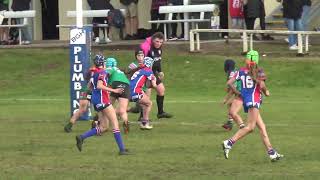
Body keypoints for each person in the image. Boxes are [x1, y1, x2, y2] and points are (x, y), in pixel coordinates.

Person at [222, 50, 284, 162]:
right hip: (254, 100)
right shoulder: (259, 71)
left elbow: (229, 83)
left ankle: (272, 153)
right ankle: (229, 142)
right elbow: (262, 85)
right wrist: (266, 92)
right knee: (250, 127)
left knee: (262, 127)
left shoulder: (240, 71)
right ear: (256, 60)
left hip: (246, 100)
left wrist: (237, 92)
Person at [75, 54, 129, 155]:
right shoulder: (102, 72)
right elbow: (99, 85)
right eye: (104, 61)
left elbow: (91, 86)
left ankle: (81, 137)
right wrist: (114, 90)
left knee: (104, 126)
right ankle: (122, 149)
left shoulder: (94, 72)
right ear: (102, 63)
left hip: (96, 101)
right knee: (115, 124)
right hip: (103, 100)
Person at [140, 32, 172, 119]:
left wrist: (160, 71)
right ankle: (142, 116)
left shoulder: (159, 49)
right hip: (146, 73)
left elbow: (158, 61)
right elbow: (141, 62)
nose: (159, 44)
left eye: (161, 42)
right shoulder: (147, 49)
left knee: (161, 90)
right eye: (157, 41)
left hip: (154, 73)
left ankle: (160, 113)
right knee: (147, 96)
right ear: (153, 40)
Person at [64, 66, 98, 133]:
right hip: (95, 90)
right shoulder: (102, 70)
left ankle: (69, 126)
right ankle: (95, 127)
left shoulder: (91, 69)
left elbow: (86, 77)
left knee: (81, 110)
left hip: (85, 90)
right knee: (99, 110)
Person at [130, 57, 157, 130]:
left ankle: (143, 123)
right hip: (135, 91)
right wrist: (155, 80)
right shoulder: (148, 70)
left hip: (129, 90)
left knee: (145, 105)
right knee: (149, 103)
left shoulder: (141, 70)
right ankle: (145, 123)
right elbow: (153, 85)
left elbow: (145, 84)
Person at [105, 57, 130, 134]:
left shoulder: (110, 69)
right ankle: (125, 122)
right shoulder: (119, 70)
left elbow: (105, 76)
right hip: (126, 86)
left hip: (115, 84)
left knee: (107, 105)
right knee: (123, 110)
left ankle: (101, 122)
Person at [222, 59, 245, 131]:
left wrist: (226, 98)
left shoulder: (231, 73)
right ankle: (230, 123)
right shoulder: (235, 70)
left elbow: (233, 87)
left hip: (241, 93)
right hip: (242, 91)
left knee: (233, 111)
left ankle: (241, 126)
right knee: (230, 104)